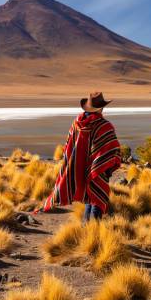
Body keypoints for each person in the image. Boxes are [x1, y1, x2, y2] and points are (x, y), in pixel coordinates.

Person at [39, 92, 121, 222]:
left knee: (89, 196)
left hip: (79, 167)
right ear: (101, 108)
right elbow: (112, 148)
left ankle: (86, 228)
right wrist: (107, 165)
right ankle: (93, 230)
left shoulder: (77, 123)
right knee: (97, 196)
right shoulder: (104, 126)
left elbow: (69, 146)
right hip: (98, 168)